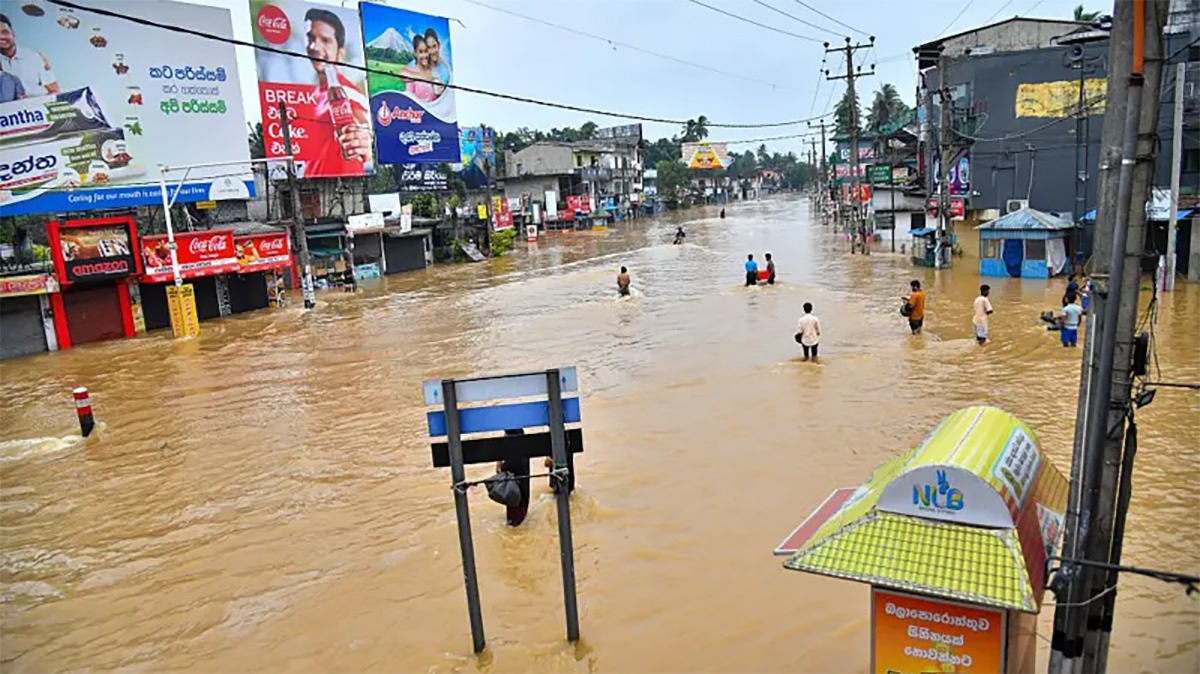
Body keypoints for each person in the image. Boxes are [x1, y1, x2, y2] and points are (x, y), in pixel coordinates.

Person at [303, 9, 371, 175]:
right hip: (311, 187)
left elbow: (365, 131)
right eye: (311, 38)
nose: (315, 47)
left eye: (325, 40)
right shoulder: (312, 96)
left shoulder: (347, 94)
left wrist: (365, 141)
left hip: (344, 188)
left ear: (340, 53)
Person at [0, 13, 57, 97]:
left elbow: (54, 91)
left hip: (35, 107)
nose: (1, 36)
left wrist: (32, 101)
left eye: (5, 32)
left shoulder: (34, 57)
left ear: (13, 33)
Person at [399, 34, 436, 102]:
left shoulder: (431, 70)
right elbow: (408, 100)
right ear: (415, 53)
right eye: (421, 52)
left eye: (426, 51)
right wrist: (423, 77)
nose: (424, 55)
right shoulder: (411, 73)